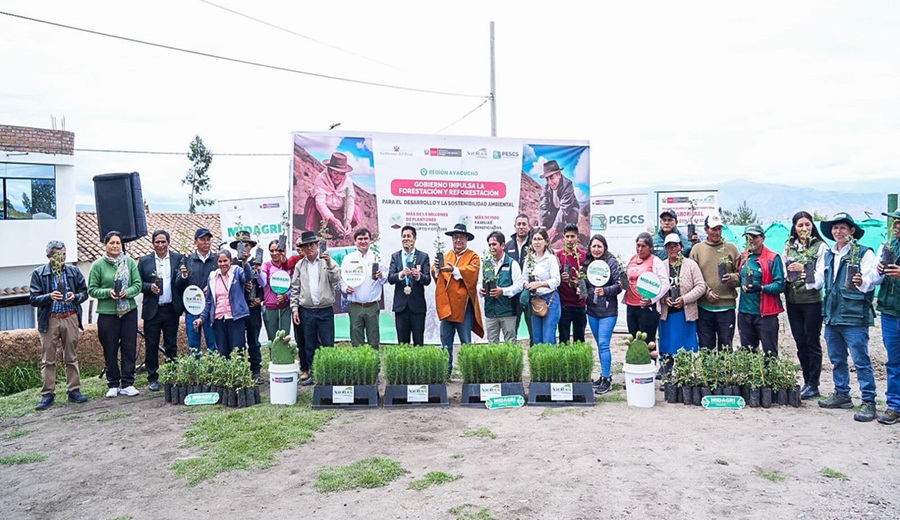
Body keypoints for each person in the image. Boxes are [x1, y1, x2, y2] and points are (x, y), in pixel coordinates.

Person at [807, 213, 880, 422]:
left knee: (861, 360)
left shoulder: (863, 253)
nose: (838, 232)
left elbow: (871, 281)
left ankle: (869, 401)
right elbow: (819, 281)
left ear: (851, 231)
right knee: (837, 358)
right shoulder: (829, 254)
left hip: (854, 315)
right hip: (832, 315)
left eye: (842, 228)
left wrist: (860, 281)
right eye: (835, 228)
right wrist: (807, 275)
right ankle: (842, 394)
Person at [29, 240, 89, 410]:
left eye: (63, 254)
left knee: (71, 356)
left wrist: (75, 296)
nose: (61, 257)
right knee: (48, 358)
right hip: (50, 319)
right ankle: (48, 393)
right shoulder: (39, 273)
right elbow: (33, 299)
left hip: (70, 316)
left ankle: (74, 390)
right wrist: (49, 296)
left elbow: (85, 292)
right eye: (57, 255)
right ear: (49, 256)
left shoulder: (73, 271)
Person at [88, 231, 142, 398]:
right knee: (110, 348)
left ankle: (127, 383)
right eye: (112, 243)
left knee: (129, 347)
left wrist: (127, 292)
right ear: (105, 245)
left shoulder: (130, 263)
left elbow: (138, 285)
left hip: (128, 312)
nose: (115, 246)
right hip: (107, 313)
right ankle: (113, 383)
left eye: (118, 243)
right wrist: (107, 292)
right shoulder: (98, 265)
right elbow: (92, 289)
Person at [782, 211, 828, 399]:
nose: (804, 229)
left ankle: (813, 383)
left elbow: (820, 279)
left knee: (812, 341)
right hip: (793, 301)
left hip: (812, 302)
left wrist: (803, 269)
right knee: (800, 341)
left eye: (807, 225)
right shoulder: (789, 246)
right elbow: (785, 266)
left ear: (812, 226)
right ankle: (806, 379)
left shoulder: (820, 247)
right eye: (800, 225)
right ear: (794, 227)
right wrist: (786, 275)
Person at [138, 230, 187, 392]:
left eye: (163, 242)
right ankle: (153, 378)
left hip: (171, 309)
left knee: (171, 344)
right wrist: (148, 287)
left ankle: (172, 375)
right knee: (151, 345)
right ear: (153, 244)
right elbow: (137, 284)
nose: (160, 245)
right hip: (153, 310)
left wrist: (184, 277)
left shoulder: (178, 259)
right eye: (157, 242)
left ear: (168, 242)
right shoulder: (144, 261)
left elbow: (181, 282)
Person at [290, 230, 341, 384]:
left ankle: (329, 374)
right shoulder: (300, 265)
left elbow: (336, 279)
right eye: (306, 245)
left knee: (327, 343)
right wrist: (294, 308)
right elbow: (295, 289)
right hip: (307, 311)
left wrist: (330, 263)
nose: (310, 248)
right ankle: (314, 374)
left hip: (325, 310)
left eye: (312, 244)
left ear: (317, 245)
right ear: (303, 249)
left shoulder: (327, 261)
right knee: (309, 344)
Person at [434, 223, 484, 375]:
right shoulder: (446, 255)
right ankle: (446, 372)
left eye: (461, 238)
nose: (458, 241)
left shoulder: (473, 256)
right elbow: (436, 275)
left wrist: (454, 269)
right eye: (455, 238)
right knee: (445, 344)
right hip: (446, 307)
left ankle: (469, 372)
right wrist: (436, 267)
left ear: (467, 239)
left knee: (466, 342)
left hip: (463, 307)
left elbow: (472, 272)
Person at [689, 214, 740, 349]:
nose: (716, 232)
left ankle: (725, 371)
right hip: (704, 307)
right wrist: (706, 292)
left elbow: (742, 275)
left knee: (726, 348)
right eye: (713, 229)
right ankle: (708, 371)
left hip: (726, 307)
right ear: (706, 229)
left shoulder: (731, 249)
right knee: (706, 347)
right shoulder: (697, 250)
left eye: (719, 228)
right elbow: (692, 276)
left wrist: (732, 278)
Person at [658, 234, 707, 374]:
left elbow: (700, 286)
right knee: (667, 343)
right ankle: (666, 372)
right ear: (666, 249)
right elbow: (656, 288)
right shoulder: (661, 266)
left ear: (681, 246)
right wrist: (663, 299)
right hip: (667, 313)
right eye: (669, 246)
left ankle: (683, 374)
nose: (673, 249)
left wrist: (684, 299)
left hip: (684, 312)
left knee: (685, 345)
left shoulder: (691, 265)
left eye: (675, 245)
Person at [195, 249, 254, 361]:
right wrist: (201, 319)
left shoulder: (237, 272)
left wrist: (245, 262)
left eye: (225, 261)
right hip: (218, 320)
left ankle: (240, 377)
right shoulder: (213, 277)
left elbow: (247, 277)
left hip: (235, 318)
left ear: (230, 261)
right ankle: (226, 377)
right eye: (220, 261)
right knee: (222, 353)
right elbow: (209, 301)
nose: (223, 264)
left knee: (237, 352)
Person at [736, 224, 785, 357]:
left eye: (755, 237)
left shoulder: (773, 258)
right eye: (748, 237)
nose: (751, 240)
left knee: (770, 353)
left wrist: (761, 288)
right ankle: (752, 378)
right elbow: (739, 277)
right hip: (745, 312)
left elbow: (780, 285)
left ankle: (770, 378)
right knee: (748, 353)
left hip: (766, 314)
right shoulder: (744, 256)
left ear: (763, 238)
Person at [584, 234, 621, 395]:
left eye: (599, 246)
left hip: (608, 310)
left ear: (604, 247)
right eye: (593, 246)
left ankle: (607, 379)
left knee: (604, 344)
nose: (596, 249)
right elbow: (583, 285)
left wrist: (604, 291)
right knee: (599, 344)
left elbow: (619, 286)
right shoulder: (587, 263)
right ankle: (603, 375)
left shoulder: (612, 262)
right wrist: (581, 290)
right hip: (592, 309)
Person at [340, 228, 388, 348]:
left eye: (366, 238)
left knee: (374, 340)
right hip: (355, 306)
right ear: (355, 241)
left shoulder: (378, 258)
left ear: (370, 240)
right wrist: (346, 288)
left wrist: (381, 276)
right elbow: (342, 280)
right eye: (360, 239)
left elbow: (386, 279)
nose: (363, 241)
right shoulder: (348, 258)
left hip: (372, 306)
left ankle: (374, 366)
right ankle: (359, 367)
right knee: (356, 340)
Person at [875, 210, 900, 425]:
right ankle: (894, 405)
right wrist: (879, 270)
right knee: (894, 361)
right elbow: (876, 279)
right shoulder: (889, 246)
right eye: (897, 222)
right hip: (890, 311)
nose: (898, 226)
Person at [388, 225, 431, 346]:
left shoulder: (423, 256)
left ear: (414, 238)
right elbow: (390, 278)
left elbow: (427, 280)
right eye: (403, 236)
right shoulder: (395, 256)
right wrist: (401, 274)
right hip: (401, 306)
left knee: (418, 342)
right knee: (402, 343)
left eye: (409, 236)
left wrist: (418, 276)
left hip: (417, 306)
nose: (406, 239)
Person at [303, 152, 363, 240]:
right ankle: (326, 227)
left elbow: (349, 201)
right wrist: (333, 219)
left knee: (355, 210)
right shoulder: (321, 179)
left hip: (338, 209)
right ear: (330, 170)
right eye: (335, 172)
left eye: (341, 173)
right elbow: (320, 203)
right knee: (313, 206)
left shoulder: (347, 181)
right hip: (322, 210)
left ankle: (340, 228)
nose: (338, 176)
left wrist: (347, 220)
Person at [623, 232, 670, 344]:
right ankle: (634, 362)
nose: (640, 249)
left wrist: (652, 299)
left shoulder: (656, 261)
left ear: (650, 247)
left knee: (648, 341)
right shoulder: (630, 259)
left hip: (648, 308)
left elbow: (665, 284)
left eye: (643, 246)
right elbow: (624, 278)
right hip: (631, 305)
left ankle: (652, 362)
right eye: (638, 245)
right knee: (633, 340)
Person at [479, 230, 523, 343]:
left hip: (508, 311)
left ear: (503, 245)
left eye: (494, 244)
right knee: (492, 346)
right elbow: (479, 283)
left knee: (510, 345)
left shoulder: (512, 263)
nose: (491, 247)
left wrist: (502, 291)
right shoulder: (486, 264)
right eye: (489, 245)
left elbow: (519, 285)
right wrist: (481, 290)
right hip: (490, 312)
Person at [231, 231, 264, 382]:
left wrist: (259, 299)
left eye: (246, 245)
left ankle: (256, 370)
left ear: (250, 247)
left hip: (253, 309)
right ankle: (241, 370)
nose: (243, 248)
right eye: (240, 245)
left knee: (254, 341)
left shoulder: (257, 264)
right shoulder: (231, 265)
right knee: (238, 341)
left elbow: (265, 286)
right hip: (238, 309)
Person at [522, 228, 562, 345]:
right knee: (536, 338)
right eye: (534, 239)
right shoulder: (529, 259)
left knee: (548, 337)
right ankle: (538, 364)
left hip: (550, 299)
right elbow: (523, 278)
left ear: (546, 242)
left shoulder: (551, 259)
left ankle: (549, 363)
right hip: (535, 300)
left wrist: (539, 284)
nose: (536, 242)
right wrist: (527, 285)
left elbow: (556, 280)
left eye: (539, 239)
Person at [185, 228, 219, 354]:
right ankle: (194, 373)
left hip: (211, 307)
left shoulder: (217, 260)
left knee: (213, 342)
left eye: (208, 240)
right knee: (193, 344)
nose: (206, 243)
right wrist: (183, 276)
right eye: (203, 240)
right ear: (195, 242)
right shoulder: (188, 260)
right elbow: (179, 283)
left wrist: (210, 287)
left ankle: (213, 371)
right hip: (192, 306)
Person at [557, 223, 588, 343]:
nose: (570, 240)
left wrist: (581, 283)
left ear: (577, 237)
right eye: (567, 237)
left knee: (579, 339)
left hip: (580, 305)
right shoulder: (558, 256)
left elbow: (588, 279)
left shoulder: (584, 256)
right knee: (564, 339)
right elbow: (553, 278)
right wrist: (561, 277)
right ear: (563, 237)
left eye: (572, 236)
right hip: (564, 304)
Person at [258, 238, 292, 341]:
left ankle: (286, 357)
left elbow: (295, 286)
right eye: (272, 251)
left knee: (285, 339)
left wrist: (286, 296)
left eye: (277, 250)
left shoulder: (289, 265)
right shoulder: (266, 266)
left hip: (285, 308)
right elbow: (263, 282)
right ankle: (274, 358)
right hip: (270, 308)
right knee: (273, 340)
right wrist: (259, 272)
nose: (275, 253)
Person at [538, 160, 579, 245]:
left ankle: (565, 231)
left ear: (559, 174)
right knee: (545, 219)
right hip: (554, 210)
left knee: (573, 215)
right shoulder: (546, 186)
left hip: (569, 210)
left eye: (552, 177)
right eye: (547, 179)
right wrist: (540, 227)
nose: (550, 182)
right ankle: (558, 228)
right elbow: (543, 206)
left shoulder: (567, 185)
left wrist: (553, 230)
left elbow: (564, 209)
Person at [506, 213, 533, 342]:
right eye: (519, 224)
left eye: (524, 224)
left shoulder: (535, 244)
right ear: (515, 226)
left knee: (534, 330)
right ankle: (512, 360)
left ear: (529, 227)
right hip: (513, 295)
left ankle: (535, 359)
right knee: (512, 331)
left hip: (531, 294)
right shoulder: (508, 246)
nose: (521, 227)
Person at [286, 236, 309, 379]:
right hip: (298, 305)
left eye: (302, 245)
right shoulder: (295, 261)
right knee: (301, 338)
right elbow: (284, 264)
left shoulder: (318, 261)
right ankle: (305, 368)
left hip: (314, 307)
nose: (300, 248)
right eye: (297, 246)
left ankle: (315, 367)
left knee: (314, 339)